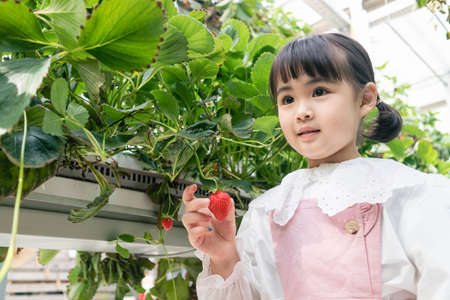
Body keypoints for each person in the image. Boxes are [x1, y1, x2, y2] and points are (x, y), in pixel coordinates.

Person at [181, 33, 450, 299]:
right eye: (287, 99)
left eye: (319, 92)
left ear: (365, 99)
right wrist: (224, 257)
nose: (302, 111)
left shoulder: (407, 193)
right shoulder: (268, 210)